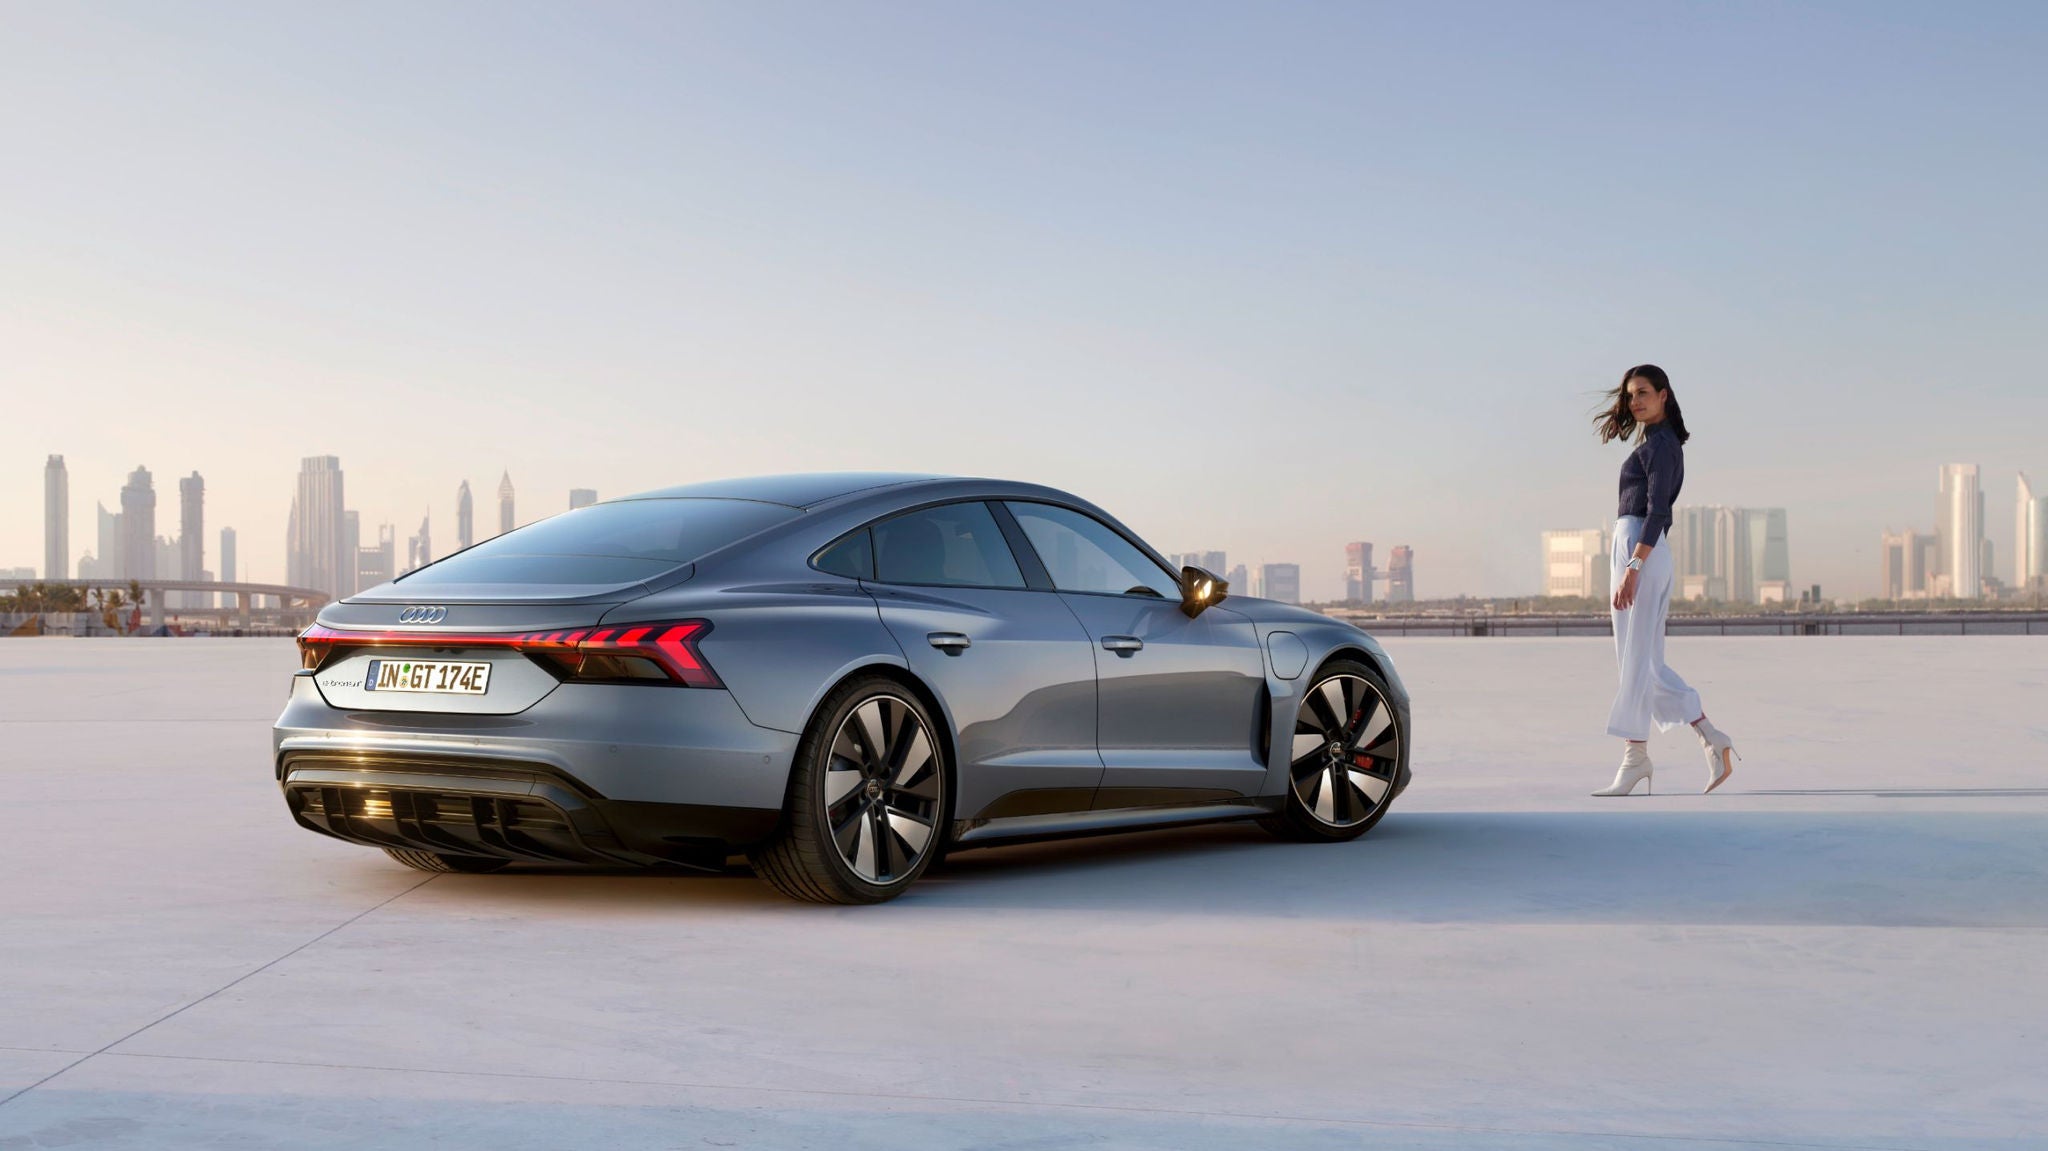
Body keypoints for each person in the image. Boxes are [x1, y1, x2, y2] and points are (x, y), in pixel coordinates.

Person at [1590, 364, 1740, 796]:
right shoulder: (1654, 443)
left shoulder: (1663, 445)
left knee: (1635, 659)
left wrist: (1633, 567)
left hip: (1641, 548)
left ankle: (1635, 759)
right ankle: (1712, 738)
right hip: (1637, 547)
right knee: (1645, 662)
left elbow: (1658, 512)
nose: (1634, 401)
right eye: (1630, 395)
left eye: (1642, 393)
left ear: (1663, 396)